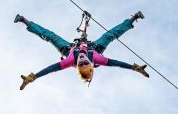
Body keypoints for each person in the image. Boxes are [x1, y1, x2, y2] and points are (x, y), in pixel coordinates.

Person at [14, 11, 149, 90]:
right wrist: (133, 67)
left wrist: (34, 77)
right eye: (86, 64)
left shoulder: (70, 61)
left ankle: (23, 20)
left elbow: (50, 69)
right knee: (111, 35)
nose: (83, 62)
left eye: (81, 65)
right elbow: (117, 63)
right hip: (95, 48)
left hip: (69, 49)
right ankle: (134, 17)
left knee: (49, 36)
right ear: (91, 65)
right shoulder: (97, 59)